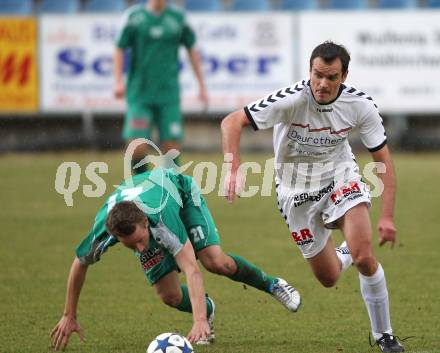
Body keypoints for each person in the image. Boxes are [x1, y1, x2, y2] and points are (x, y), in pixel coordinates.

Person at [221, 41, 404, 352]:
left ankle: (384, 335)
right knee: (329, 276)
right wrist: (232, 167)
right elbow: (231, 121)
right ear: (309, 71)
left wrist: (386, 216)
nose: (322, 83)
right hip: (294, 191)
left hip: (340, 178)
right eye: (317, 74)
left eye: (331, 77)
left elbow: (383, 162)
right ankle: (344, 253)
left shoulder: (361, 106)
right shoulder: (291, 99)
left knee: (364, 256)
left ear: (344, 76)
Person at [50, 168, 300, 351]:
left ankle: (272, 284)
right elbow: (79, 263)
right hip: (145, 204)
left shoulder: (161, 218)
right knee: (169, 296)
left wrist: (198, 321)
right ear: (115, 236)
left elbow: (191, 268)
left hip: (181, 195)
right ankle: (208, 306)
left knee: (214, 261)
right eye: (132, 245)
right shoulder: (103, 230)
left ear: (144, 222)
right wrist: (69, 314)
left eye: (140, 239)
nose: (140, 247)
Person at [113, 0, 208, 174]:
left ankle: (173, 193)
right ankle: (141, 187)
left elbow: (191, 48)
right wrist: (118, 80)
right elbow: (119, 47)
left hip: (168, 95)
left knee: (171, 148)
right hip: (140, 94)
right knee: (137, 146)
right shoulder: (134, 17)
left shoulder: (178, 18)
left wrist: (201, 85)